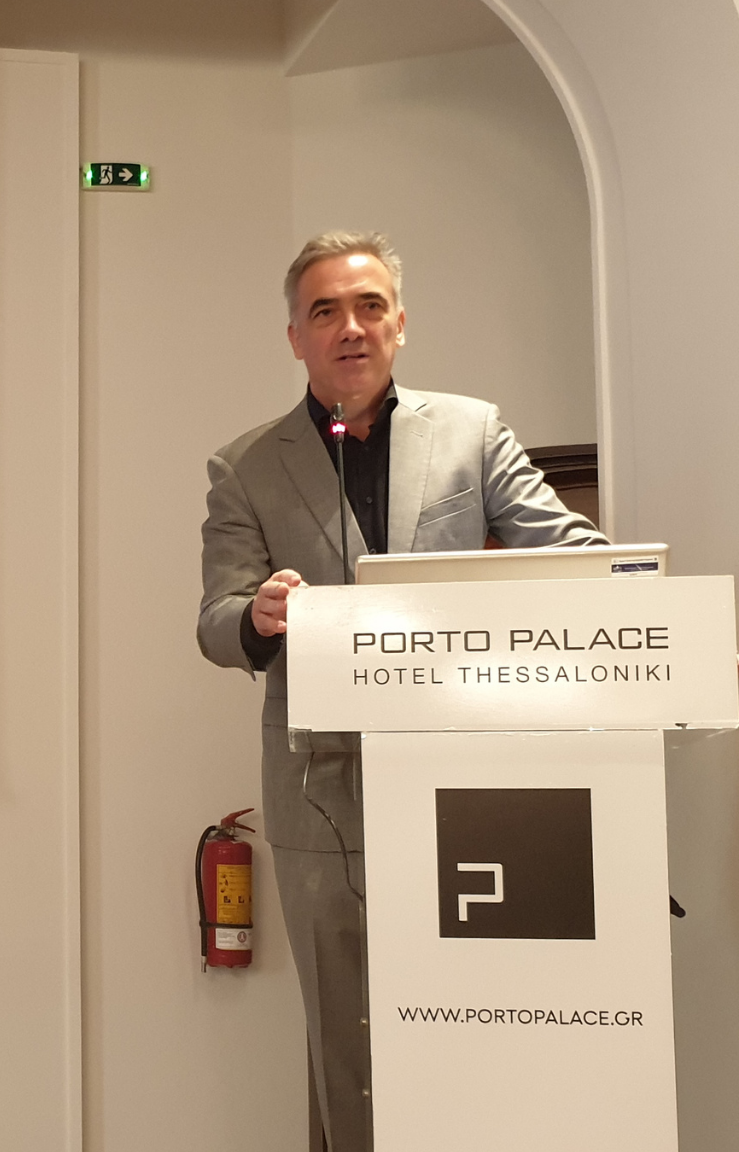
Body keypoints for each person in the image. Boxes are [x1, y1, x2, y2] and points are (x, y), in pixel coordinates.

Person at [196, 231, 605, 1150]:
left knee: (474, 1026)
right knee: (350, 1042)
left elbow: (573, 553)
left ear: (400, 324)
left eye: (369, 306)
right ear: (295, 337)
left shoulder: (471, 431)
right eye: (326, 311)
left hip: (470, 787)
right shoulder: (245, 465)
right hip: (321, 792)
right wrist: (258, 614)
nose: (351, 327)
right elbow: (215, 619)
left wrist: (650, 604)